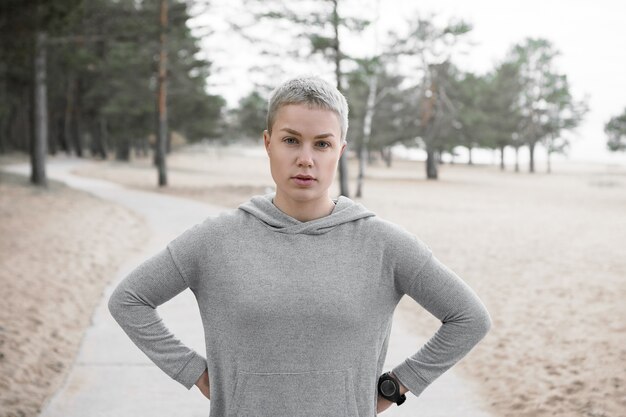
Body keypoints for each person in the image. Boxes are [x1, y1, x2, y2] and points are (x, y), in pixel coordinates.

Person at [108, 75, 491, 416]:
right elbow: (129, 299)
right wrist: (194, 372)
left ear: (340, 150)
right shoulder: (215, 239)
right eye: (291, 140)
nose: (305, 159)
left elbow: (469, 318)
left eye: (322, 144)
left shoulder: (384, 244)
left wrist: (397, 385)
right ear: (268, 143)